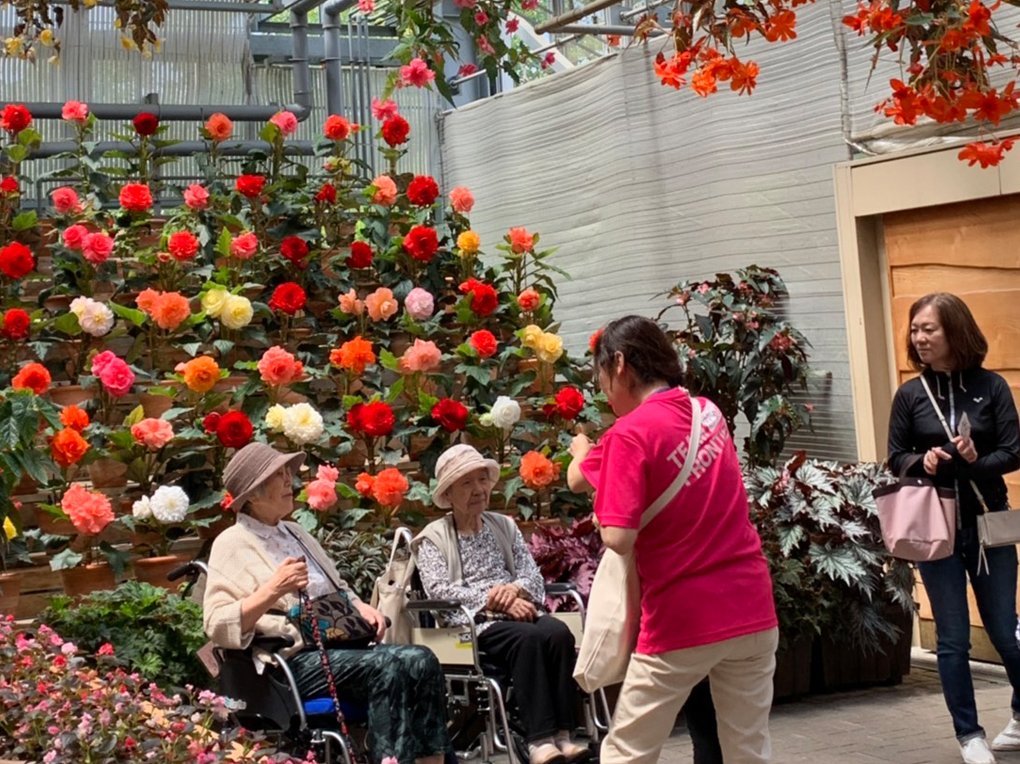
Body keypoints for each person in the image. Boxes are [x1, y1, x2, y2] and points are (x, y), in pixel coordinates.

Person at [567, 315, 778, 764]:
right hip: (752, 608)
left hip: (682, 618)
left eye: (601, 376)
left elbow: (619, 537)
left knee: (628, 751)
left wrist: (604, 504)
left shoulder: (629, 433)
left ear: (620, 364)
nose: (603, 390)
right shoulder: (709, 413)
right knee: (748, 749)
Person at [203, 442, 451, 764]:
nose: (289, 482)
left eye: (286, 473)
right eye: (278, 476)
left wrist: (362, 608)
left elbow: (339, 587)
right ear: (252, 494)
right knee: (389, 665)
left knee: (421, 659)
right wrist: (273, 590)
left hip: (339, 645)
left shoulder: (294, 532)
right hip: (293, 658)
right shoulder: (231, 543)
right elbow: (217, 624)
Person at [887, 292, 1020, 764]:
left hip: (988, 525)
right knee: (951, 639)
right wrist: (920, 461)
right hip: (933, 528)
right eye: (915, 330)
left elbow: (1014, 451)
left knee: (1006, 631)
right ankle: (969, 735)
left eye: (930, 329)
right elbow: (894, 456)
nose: (919, 338)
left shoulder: (992, 386)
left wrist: (976, 461)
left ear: (955, 331)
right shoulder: (909, 395)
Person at [412, 443, 591, 764]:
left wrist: (514, 592)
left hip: (517, 611)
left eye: (482, 480)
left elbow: (532, 577)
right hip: (469, 624)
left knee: (558, 633)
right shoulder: (432, 538)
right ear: (448, 495)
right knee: (531, 638)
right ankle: (539, 741)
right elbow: (438, 591)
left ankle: (564, 735)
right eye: (466, 483)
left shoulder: (504, 526)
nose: (479, 490)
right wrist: (496, 603)